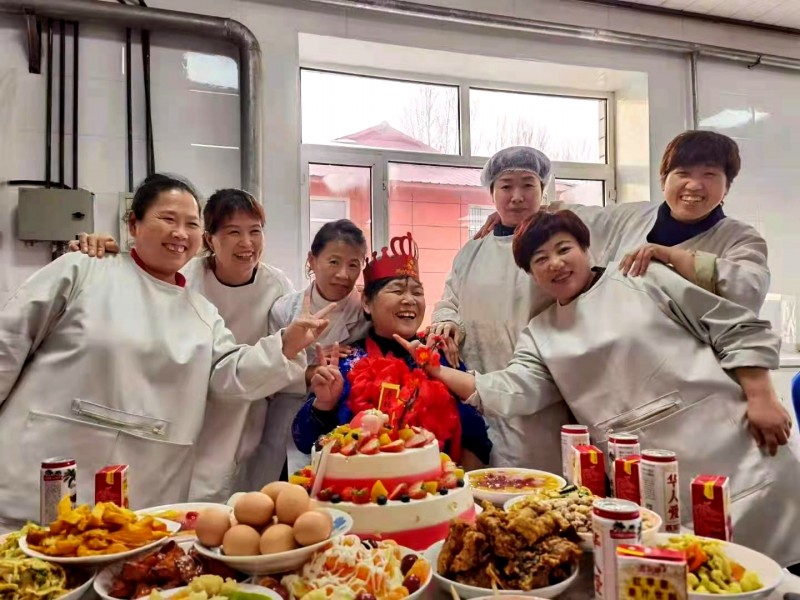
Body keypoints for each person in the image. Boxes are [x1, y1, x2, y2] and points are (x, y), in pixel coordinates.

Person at [409, 210, 799, 565]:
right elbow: (516, 389)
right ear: (530, 274)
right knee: (695, 580)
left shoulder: (641, 278)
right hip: (649, 483)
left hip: (735, 451)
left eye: (564, 249)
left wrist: (760, 394)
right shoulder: (542, 332)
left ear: (585, 247)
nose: (555, 264)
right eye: (540, 259)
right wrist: (438, 371)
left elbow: (733, 326)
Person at [0, 174, 332, 530]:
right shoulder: (83, 269)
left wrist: (287, 343)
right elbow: (9, 342)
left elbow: (230, 373)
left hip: (144, 491)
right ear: (133, 223)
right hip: (41, 475)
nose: (180, 233)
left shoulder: (201, 314)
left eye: (190, 223)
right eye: (168, 219)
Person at [68, 188, 299, 501]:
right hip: (183, 398)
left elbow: (286, 352)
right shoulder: (183, 277)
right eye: (233, 232)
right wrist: (106, 257)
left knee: (234, 496)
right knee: (173, 493)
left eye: (254, 231)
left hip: (245, 401)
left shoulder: (278, 286)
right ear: (209, 239)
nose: (246, 244)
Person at [475, 130, 768, 313]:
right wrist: (511, 218)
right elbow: (572, 216)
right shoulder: (631, 218)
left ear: (727, 186)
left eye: (709, 175)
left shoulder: (740, 238)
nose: (694, 185)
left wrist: (672, 257)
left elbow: (749, 290)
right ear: (663, 179)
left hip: (698, 382)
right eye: (683, 173)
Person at [293, 232, 492, 469]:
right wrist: (324, 404)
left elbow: (477, 436)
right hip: (363, 496)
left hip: (436, 494)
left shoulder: (442, 357)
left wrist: (460, 490)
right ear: (366, 302)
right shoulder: (345, 362)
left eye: (417, 292)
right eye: (397, 291)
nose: (409, 300)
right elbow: (304, 441)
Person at [428, 146, 571, 472]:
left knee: (536, 491)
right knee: (480, 489)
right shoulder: (472, 252)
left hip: (538, 396)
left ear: (543, 190)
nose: (517, 196)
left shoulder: (555, 250)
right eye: (506, 186)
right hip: (474, 389)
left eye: (528, 185)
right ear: (492, 193)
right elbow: (450, 300)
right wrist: (447, 322)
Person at [253, 219, 370, 480]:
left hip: (339, 424)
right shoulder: (284, 310)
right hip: (285, 419)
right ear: (312, 260)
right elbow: (267, 373)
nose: (343, 274)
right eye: (333, 261)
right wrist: (310, 371)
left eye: (354, 265)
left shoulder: (365, 313)